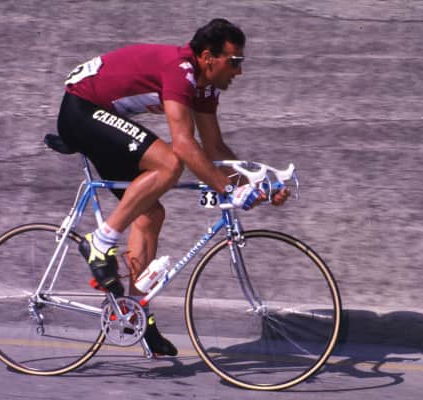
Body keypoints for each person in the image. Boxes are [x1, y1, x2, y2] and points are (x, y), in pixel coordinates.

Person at [57, 18, 290, 356]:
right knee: (170, 163)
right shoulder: (180, 71)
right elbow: (183, 144)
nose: (239, 71)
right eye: (234, 61)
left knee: (149, 213)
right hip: (80, 109)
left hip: (100, 115)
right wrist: (229, 190)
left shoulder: (205, 87)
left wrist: (259, 185)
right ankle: (100, 241)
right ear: (208, 57)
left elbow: (215, 150)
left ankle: (134, 314)